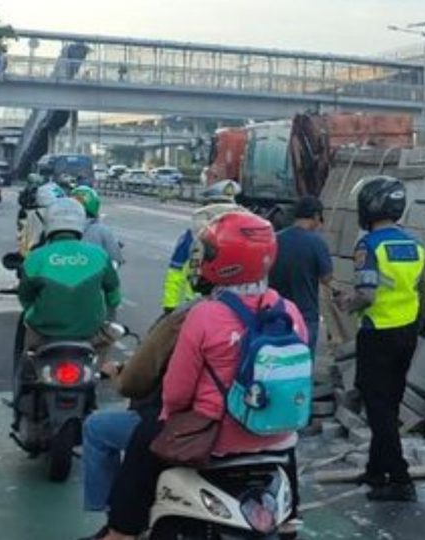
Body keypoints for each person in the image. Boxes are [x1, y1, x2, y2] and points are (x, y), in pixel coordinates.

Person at [95, 212, 309, 540]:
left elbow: (176, 393)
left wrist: (171, 418)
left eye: (208, 252)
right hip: (278, 437)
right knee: (287, 448)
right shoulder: (289, 310)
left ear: (223, 261)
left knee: (143, 440)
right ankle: (292, 518)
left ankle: (120, 531)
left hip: (215, 437)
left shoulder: (205, 314)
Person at [341, 176, 425, 502]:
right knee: (390, 403)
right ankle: (375, 469)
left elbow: (366, 294)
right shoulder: (414, 245)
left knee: (377, 407)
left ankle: (400, 479)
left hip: (377, 334)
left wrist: (347, 303)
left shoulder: (369, 246)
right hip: (407, 333)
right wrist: (420, 321)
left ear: (368, 207)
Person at [80, 305, 191, 536]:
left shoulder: (181, 319)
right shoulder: (274, 309)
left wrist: (117, 376)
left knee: (97, 428)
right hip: (251, 429)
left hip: (181, 424)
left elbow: (135, 382)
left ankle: (116, 524)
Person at [16, 198, 121, 357]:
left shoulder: (36, 257)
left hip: (44, 331)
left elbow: (25, 297)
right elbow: (114, 295)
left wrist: (36, 313)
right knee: (101, 356)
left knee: (28, 360)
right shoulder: (99, 254)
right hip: (90, 332)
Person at [161, 180, 246, 312]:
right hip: (236, 307)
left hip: (199, 305)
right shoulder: (246, 233)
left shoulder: (193, 234)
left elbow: (175, 272)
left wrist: (170, 308)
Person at [266, 195, 333, 349]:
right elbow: (326, 278)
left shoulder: (275, 239)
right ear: (316, 216)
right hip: (306, 315)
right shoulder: (317, 242)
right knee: (302, 363)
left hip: (277, 312)